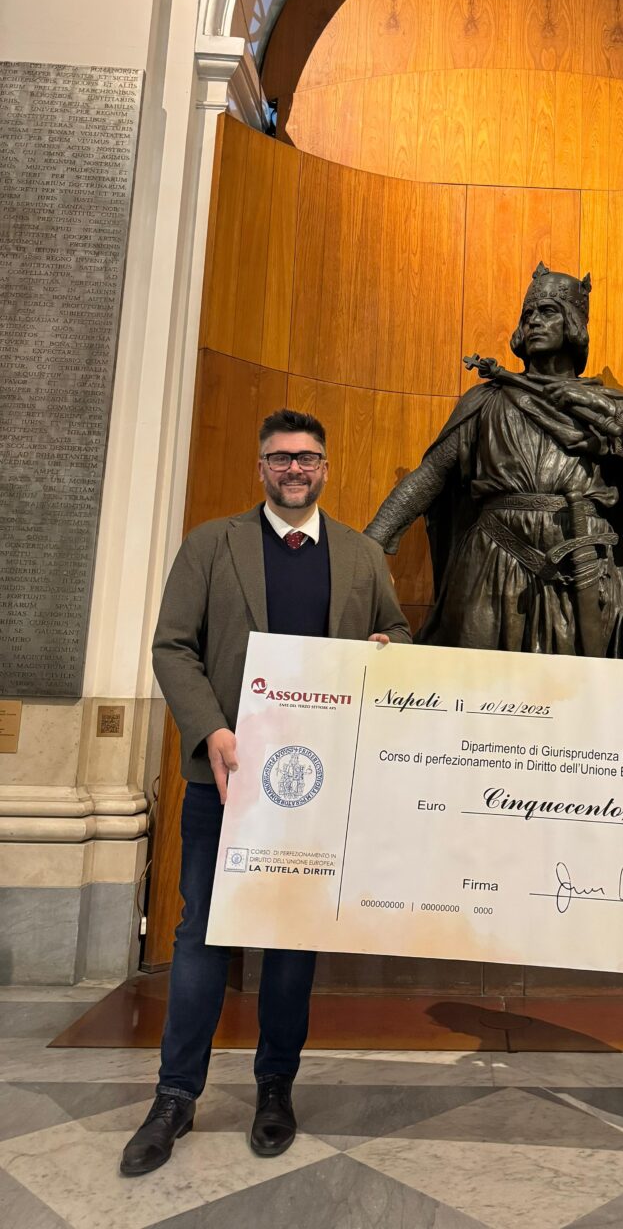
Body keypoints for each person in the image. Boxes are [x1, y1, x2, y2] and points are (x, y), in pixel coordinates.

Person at [120, 408, 410, 1176]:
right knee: (202, 937)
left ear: (325, 467)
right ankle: (174, 1097)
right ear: (261, 468)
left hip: (317, 788)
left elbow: (399, 631)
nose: (294, 469)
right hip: (225, 779)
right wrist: (210, 730)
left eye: (307, 457)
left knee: (291, 939)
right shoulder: (210, 545)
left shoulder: (361, 555)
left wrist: (387, 648)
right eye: (280, 458)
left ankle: (275, 1088)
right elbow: (172, 646)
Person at [364, 262, 623, 657]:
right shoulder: (487, 400)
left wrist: (614, 420)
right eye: (528, 314)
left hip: (579, 566)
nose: (533, 322)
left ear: (573, 324)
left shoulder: (607, 404)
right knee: (474, 681)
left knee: (572, 688)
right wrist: (371, 543)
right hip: (492, 560)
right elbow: (431, 475)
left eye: (547, 312)